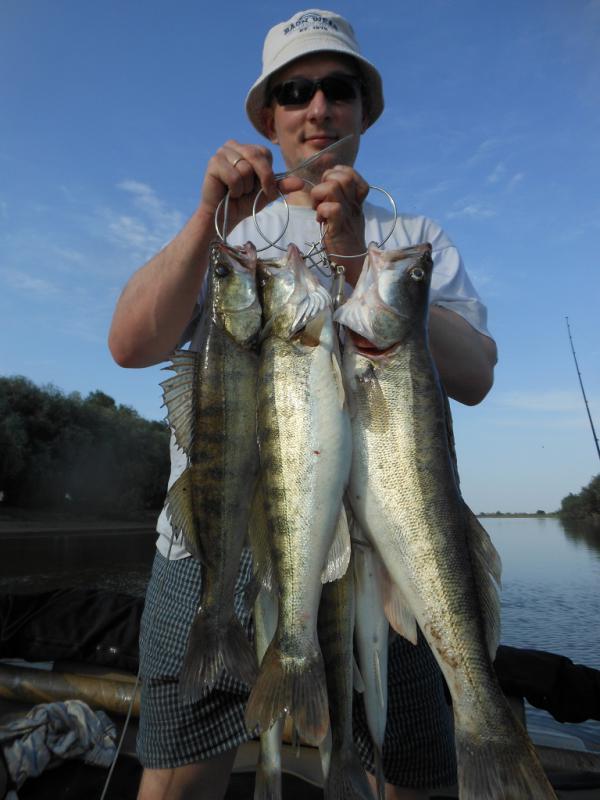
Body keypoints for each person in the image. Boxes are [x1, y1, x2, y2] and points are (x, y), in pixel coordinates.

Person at [108, 9, 497, 800]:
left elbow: (477, 374)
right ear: (268, 117)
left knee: (411, 768)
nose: (318, 108)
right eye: (294, 92)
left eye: (338, 89)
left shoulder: (409, 236)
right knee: (177, 771)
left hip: (385, 545)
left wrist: (358, 260)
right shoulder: (227, 235)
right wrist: (206, 219)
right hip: (220, 541)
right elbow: (130, 343)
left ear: (363, 110)